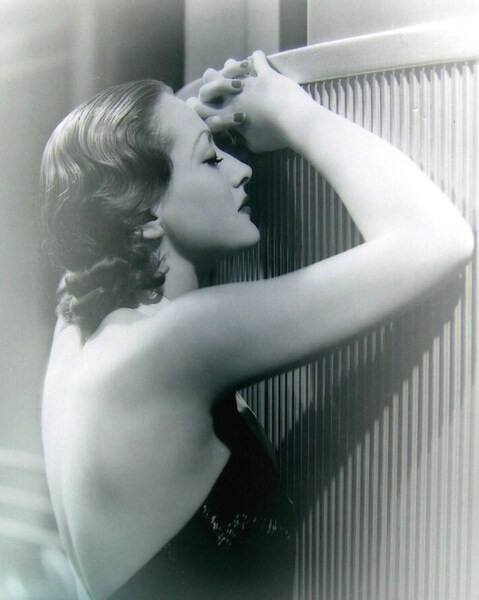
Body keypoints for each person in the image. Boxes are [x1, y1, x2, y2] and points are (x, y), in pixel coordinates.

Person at [40, 51, 473, 600]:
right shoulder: (178, 342)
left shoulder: (77, 321)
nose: (239, 168)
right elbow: (438, 240)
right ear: (144, 214)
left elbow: (116, 169)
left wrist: (195, 105)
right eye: (210, 159)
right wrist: (296, 115)